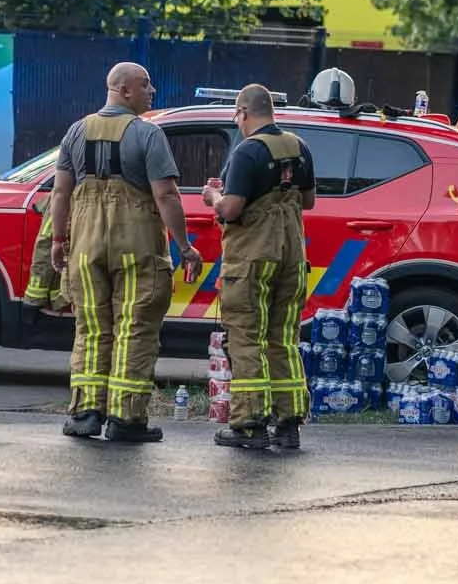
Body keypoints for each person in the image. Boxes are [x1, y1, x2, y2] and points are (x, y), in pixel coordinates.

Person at [49, 63, 201, 442]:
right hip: (136, 248)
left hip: (85, 246)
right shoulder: (147, 134)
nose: (153, 91)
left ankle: (85, 415)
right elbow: (165, 194)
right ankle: (126, 420)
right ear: (125, 90)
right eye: (146, 85)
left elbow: (60, 192)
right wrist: (184, 246)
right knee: (134, 329)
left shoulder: (76, 132)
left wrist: (57, 240)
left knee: (92, 330)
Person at [201, 84, 317, 451]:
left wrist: (213, 197)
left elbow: (231, 210)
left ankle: (249, 425)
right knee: (283, 339)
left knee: (247, 339)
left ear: (243, 112)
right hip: (292, 258)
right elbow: (309, 201)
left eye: (237, 115)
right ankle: (288, 426)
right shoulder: (299, 148)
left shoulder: (247, 151)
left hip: (252, 260)